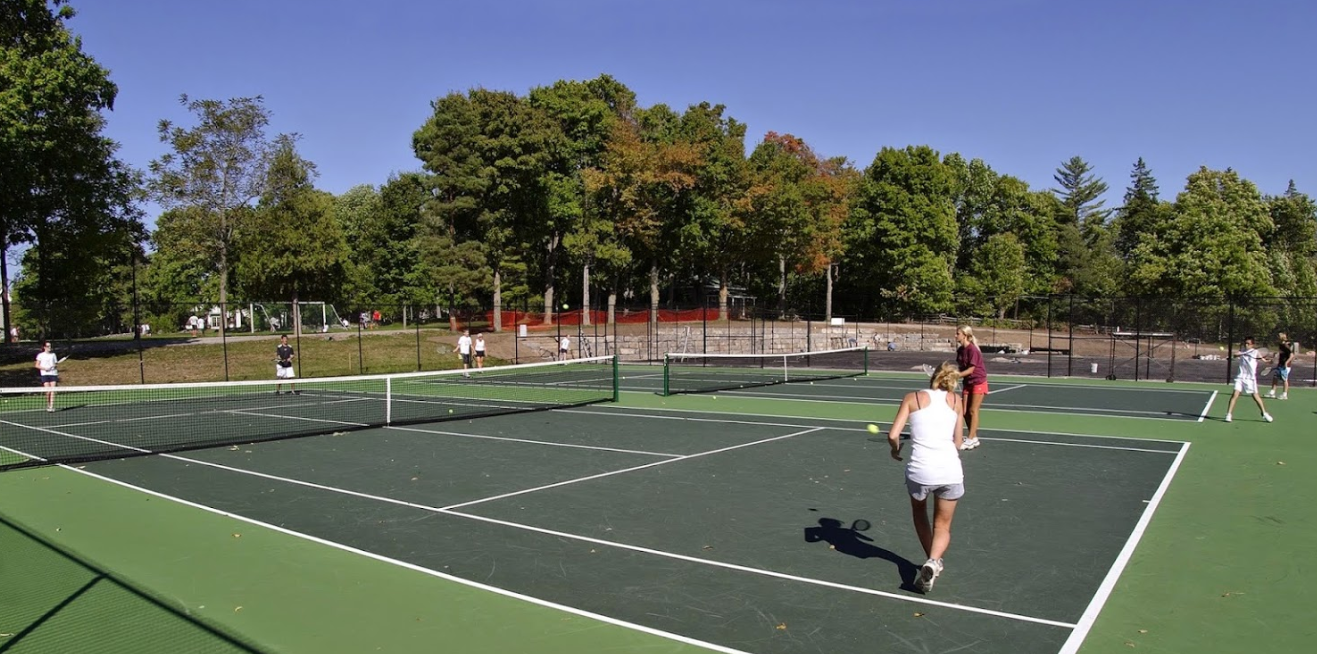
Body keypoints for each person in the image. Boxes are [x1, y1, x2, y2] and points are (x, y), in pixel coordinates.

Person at [885, 361, 965, 593]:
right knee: (943, 525)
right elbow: (958, 443)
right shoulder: (957, 401)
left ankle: (932, 561)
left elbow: (893, 435)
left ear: (932, 378)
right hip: (950, 470)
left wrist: (895, 449)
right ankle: (933, 561)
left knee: (920, 514)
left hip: (920, 471)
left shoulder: (913, 398)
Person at [953, 325, 987, 450]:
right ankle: (974, 438)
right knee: (964, 411)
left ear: (965, 335)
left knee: (973, 410)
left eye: (957, 333)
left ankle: (971, 438)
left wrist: (955, 376)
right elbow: (961, 368)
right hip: (968, 382)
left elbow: (971, 369)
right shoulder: (960, 350)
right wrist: (949, 373)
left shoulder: (973, 350)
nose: (955, 336)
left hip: (978, 381)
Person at [1225, 337, 1272, 423]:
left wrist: (1268, 361)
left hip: (1250, 379)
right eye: (1245, 343)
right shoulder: (1243, 350)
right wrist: (1240, 354)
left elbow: (1263, 360)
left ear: (1252, 344)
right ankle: (1228, 414)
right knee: (1235, 394)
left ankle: (1264, 413)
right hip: (1240, 377)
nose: (1246, 345)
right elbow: (1235, 355)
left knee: (1255, 396)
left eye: (1248, 343)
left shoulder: (1255, 352)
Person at [1266, 333, 1297, 400]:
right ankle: (1272, 392)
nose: (1277, 338)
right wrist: (1273, 358)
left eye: (1278, 336)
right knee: (1275, 377)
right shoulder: (1281, 345)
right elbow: (1280, 353)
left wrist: (1286, 363)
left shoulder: (1286, 345)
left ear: (1282, 337)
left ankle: (1284, 395)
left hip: (1285, 366)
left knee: (1284, 379)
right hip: (1280, 364)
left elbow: (1292, 355)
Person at [34, 341, 60, 412]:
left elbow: (55, 364)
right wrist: (45, 368)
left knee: (53, 390)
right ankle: (48, 404)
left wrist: (54, 366)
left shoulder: (53, 355)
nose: (49, 348)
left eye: (50, 346)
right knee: (48, 391)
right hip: (44, 374)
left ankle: (51, 406)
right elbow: (36, 365)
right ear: (44, 347)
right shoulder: (40, 355)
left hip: (53, 374)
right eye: (48, 346)